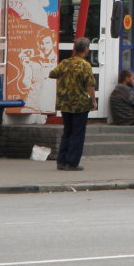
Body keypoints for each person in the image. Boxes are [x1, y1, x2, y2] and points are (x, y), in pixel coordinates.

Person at [49, 37, 97, 171]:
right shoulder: (85, 65)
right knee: (77, 134)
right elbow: (90, 85)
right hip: (80, 104)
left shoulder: (65, 63)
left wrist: (66, 79)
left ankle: (61, 161)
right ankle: (71, 162)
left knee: (67, 132)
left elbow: (52, 74)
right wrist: (93, 100)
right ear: (86, 49)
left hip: (65, 103)